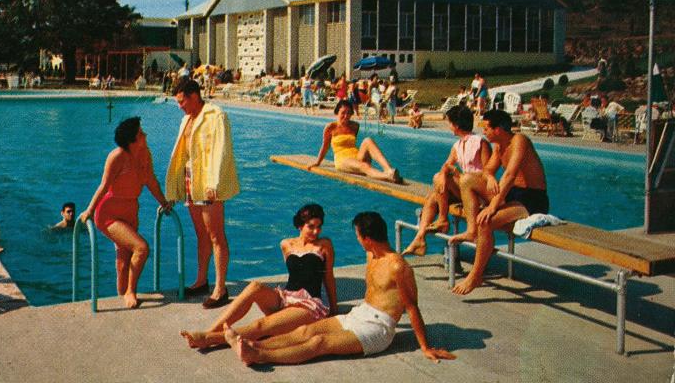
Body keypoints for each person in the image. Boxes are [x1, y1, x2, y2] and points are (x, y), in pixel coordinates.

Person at [224, 212, 455, 366]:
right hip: (360, 314)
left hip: (378, 329)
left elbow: (412, 307)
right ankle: (253, 345)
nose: (357, 240)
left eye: (357, 236)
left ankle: (259, 356)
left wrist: (425, 347)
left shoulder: (397, 266)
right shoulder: (371, 255)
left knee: (319, 343)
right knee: (306, 332)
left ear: (367, 238)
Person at [180, 203, 338, 349]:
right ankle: (211, 330)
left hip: (308, 305)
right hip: (285, 298)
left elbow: (328, 277)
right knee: (255, 286)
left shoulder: (324, 245)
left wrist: (334, 309)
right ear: (299, 226)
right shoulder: (286, 244)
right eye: (311, 227)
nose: (316, 231)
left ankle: (209, 339)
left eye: (319, 227)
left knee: (261, 326)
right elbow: (296, 274)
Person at [450, 110, 548, 295]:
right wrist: (489, 177)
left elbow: (510, 175)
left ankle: (476, 275)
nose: (483, 131)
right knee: (467, 180)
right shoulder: (498, 147)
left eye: (486, 128)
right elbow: (488, 169)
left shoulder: (519, 141)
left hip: (531, 198)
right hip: (511, 193)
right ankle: (471, 231)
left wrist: (493, 206)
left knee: (485, 222)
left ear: (499, 129)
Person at [80, 117, 173, 308]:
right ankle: (131, 291)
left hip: (131, 212)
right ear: (131, 141)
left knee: (123, 263)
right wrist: (89, 210)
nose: (145, 135)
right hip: (109, 215)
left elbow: (151, 181)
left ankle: (122, 296)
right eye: (141, 133)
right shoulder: (117, 156)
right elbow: (104, 186)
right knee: (141, 248)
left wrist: (164, 203)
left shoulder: (146, 154)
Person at [165, 79, 240, 308]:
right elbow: (182, 155)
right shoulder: (186, 119)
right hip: (191, 181)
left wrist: (214, 182)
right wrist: (174, 188)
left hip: (208, 182)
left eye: (182, 101)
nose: (179, 106)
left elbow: (222, 150)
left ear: (194, 95)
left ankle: (220, 288)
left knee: (216, 235)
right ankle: (201, 281)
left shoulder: (216, 115)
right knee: (201, 235)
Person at [402, 105, 492, 256]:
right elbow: (446, 165)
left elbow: (488, 173)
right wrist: (445, 174)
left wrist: (456, 175)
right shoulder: (457, 145)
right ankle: (420, 238)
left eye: (449, 123)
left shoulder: (480, 143)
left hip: (478, 192)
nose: (449, 126)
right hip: (464, 189)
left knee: (438, 179)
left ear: (456, 125)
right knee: (432, 197)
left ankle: (443, 219)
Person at [308, 100, 401, 183]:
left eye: (349, 113)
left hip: (357, 156)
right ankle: (387, 176)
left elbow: (352, 144)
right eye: (343, 113)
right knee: (363, 165)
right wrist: (318, 162)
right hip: (342, 160)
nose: (346, 116)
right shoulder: (330, 127)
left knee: (368, 140)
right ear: (337, 112)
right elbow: (325, 146)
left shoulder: (355, 125)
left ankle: (388, 170)